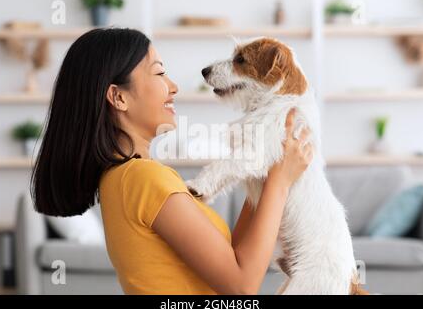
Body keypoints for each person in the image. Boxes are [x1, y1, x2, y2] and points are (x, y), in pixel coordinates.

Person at [31, 28, 313, 294]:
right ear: (118, 97)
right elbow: (242, 286)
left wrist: (265, 165)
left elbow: (233, 258)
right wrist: (280, 182)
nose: (174, 87)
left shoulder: (125, 177)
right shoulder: (144, 179)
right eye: (160, 73)